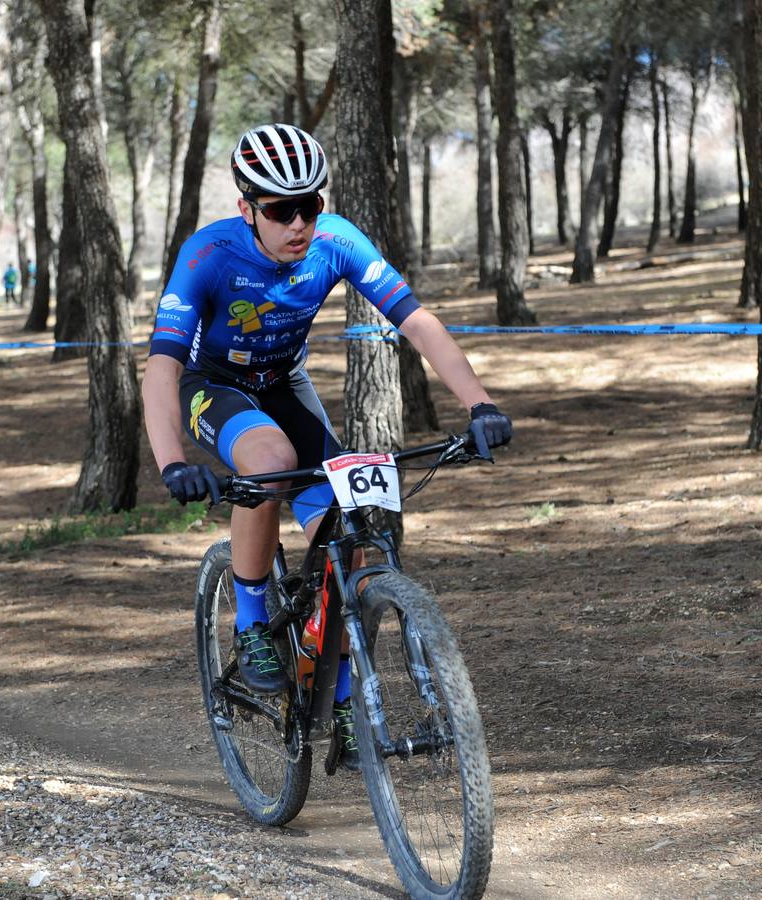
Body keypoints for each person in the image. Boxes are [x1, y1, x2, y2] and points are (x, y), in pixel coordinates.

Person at [142, 123, 512, 769]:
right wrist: (171, 460)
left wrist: (478, 403)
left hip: (284, 383)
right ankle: (254, 619)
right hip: (215, 386)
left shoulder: (337, 241)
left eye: (310, 205)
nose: (300, 224)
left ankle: (342, 699)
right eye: (282, 211)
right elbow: (162, 368)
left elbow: (417, 323)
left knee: (356, 536)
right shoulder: (209, 255)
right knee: (272, 463)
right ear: (247, 210)